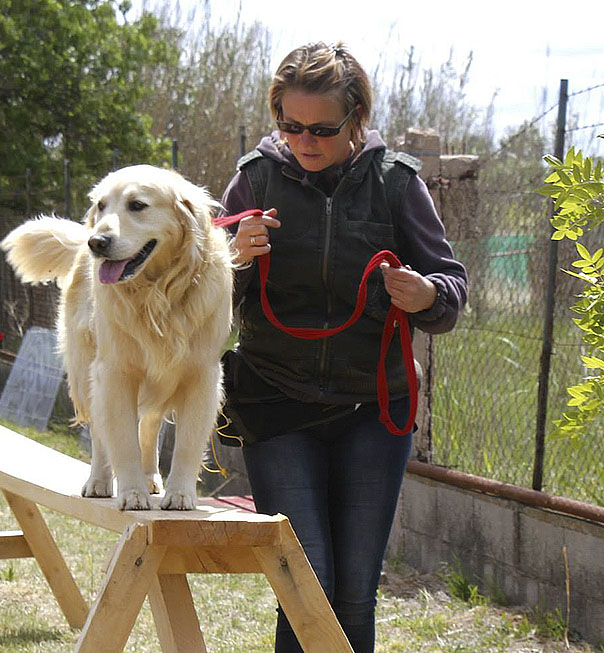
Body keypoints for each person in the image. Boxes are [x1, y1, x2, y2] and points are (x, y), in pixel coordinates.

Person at [219, 41, 468, 653]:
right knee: (306, 588)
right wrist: (233, 260)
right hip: (276, 405)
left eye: (323, 129)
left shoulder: (397, 184)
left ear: (356, 118)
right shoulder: (253, 179)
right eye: (290, 125)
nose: (304, 140)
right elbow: (206, 299)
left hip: (374, 410)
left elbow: (451, 287)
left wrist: (425, 294)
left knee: (355, 594)